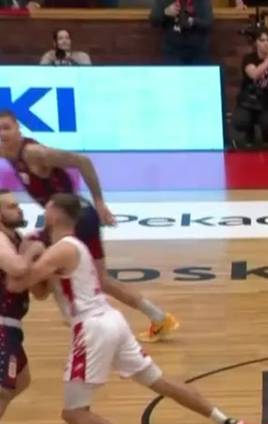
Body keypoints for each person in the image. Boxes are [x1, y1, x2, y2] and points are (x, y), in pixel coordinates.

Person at [5, 194, 260, 424]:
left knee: (74, 413)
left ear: (56, 214)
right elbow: (40, 293)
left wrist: (25, 254)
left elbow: (15, 283)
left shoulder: (62, 249)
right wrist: (34, 259)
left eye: (47, 206)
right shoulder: (69, 248)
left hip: (92, 329)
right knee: (159, 381)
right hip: (111, 321)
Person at [0, 110, 181, 343]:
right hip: (74, 215)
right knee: (101, 279)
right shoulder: (8, 151)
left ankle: (73, 318)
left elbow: (81, 161)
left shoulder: (34, 153)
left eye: (7, 127)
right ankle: (159, 317)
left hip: (72, 219)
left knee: (35, 251)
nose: (2, 133)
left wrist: (99, 201)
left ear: (18, 129)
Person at [0, 190, 31, 424]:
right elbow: (18, 268)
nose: (19, 209)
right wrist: (35, 248)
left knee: (22, 379)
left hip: (12, 324)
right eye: (11, 206)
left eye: (17, 204)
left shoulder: (17, 239)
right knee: (3, 388)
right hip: (1, 324)